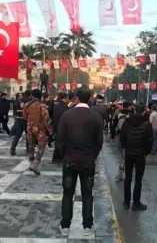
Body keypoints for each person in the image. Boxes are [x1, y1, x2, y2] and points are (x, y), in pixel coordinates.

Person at [58, 88, 103, 237]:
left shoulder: (67, 115)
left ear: (76, 98)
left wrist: (66, 154)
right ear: (89, 99)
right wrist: (92, 155)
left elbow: (60, 139)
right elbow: (99, 142)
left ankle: (65, 226)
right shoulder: (95, 117)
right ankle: (87, 226)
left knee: (67, 193)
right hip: (88, 160)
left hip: (70, 159)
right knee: (87, 194)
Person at [120, 102, 153, 211]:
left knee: (128, 178)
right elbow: (150, 141)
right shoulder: (147, 124)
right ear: (144, 111)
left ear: (134, 110)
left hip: (129, 154)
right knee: (138, 179)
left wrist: (125, 148)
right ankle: (136, 203)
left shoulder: (126, 122)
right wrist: (145, 153)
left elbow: (122, 138)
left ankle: (126, 202)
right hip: (140, 155)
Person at [23, 89, 53, 174]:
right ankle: (35, 164)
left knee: (31, 145)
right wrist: (50, 130)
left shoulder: (26, 105)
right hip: (40, 129)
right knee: (41, 147)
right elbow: (46, 119)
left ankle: (31, 161)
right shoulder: (42, 106)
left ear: (32, 95)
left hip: (30, 128)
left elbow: (24, 117)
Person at [112, 101, 133, 181]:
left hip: (120, 137)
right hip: (129, 137)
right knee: (124, 156)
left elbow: (113, 125)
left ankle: (120, 174)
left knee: (122, 154)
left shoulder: (117, 113)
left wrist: (112, 136)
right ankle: (120, 174)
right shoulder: (131, 115)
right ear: (129, 107)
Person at [10, 91, 31, 155]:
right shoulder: (29, 101)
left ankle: (12, 149)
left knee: (17, 135)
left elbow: (15, 110)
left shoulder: (18, 101)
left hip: (19, 120)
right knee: (28, 135)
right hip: (26, 120)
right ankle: (28, 149)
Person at [52, 92, 69, 162]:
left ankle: (56, 158)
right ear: (64, 99)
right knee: (63, 144)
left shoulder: (56, 106)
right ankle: (61, 158)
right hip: (63, 128)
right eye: (67, 98)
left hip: (56, 127)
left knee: (57, 143)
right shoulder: (66, 107)